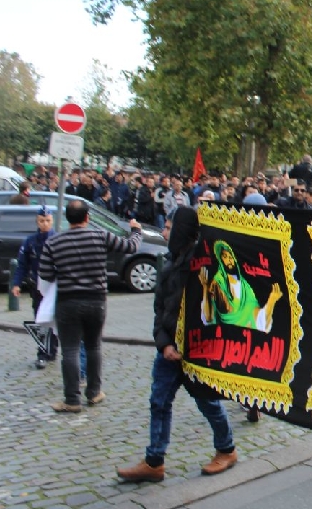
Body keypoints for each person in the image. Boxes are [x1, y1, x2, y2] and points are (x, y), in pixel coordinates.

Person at [116, 208, 238, 482]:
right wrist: (164, 344)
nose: (163, 232)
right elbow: (160, 308)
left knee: (207, 402)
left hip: (195, 350)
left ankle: (227, 449)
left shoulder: (202, 264)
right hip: (169, 348)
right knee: (159, 402)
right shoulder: (170, 261)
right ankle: (154, 461)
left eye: (169, 228)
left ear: (182, 230)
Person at [38, 199, 143, 413]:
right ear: (87, 217)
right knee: (94, 346)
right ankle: (94, 392)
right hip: (96, 301)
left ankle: (72, 399)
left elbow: (45, 274)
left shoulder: (54, 242)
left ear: (67, 218)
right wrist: (136, 230)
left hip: (68, 302)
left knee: (70, 349)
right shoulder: (100, 236)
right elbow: (130, 246)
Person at [198, 239, 283, 331]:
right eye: (225, 256)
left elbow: (259, 320)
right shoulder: (217, 283)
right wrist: (205, 287)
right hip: (225, 335)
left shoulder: (244, 286)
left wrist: (271, 300)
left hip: (248, 335)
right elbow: (208, 317)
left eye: (231, 257)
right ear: (220, 259)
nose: (229, 260)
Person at [12, 205, 59, 368]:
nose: (45, 224)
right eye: (42, 221)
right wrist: (17, 283)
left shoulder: (57, 239)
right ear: (37, 222)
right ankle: (43, 353)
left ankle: (52, 349)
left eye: (48, 220)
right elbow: (22, 265)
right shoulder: (30, 241)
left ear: (52, 221)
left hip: (54, 287)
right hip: (37, 286)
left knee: (54, 319)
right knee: (40, 319)